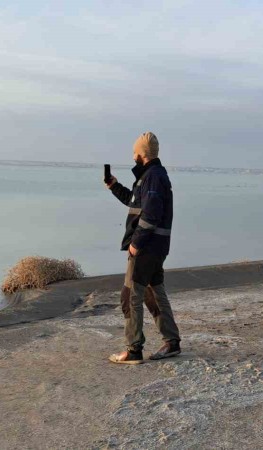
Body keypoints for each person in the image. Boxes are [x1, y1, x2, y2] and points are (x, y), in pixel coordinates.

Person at [105, 132, 181, 364]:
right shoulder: (152, 175)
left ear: (142, 153)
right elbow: (135, 202)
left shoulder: (153, 177)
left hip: (147, 246)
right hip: (157, 246)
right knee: (153, 292)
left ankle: (134, 349)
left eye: (134, 152)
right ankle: (172, 342)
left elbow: (151, 214)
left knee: (130, 296)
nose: (133, 156)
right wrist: (114, 186)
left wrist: (136, 243)